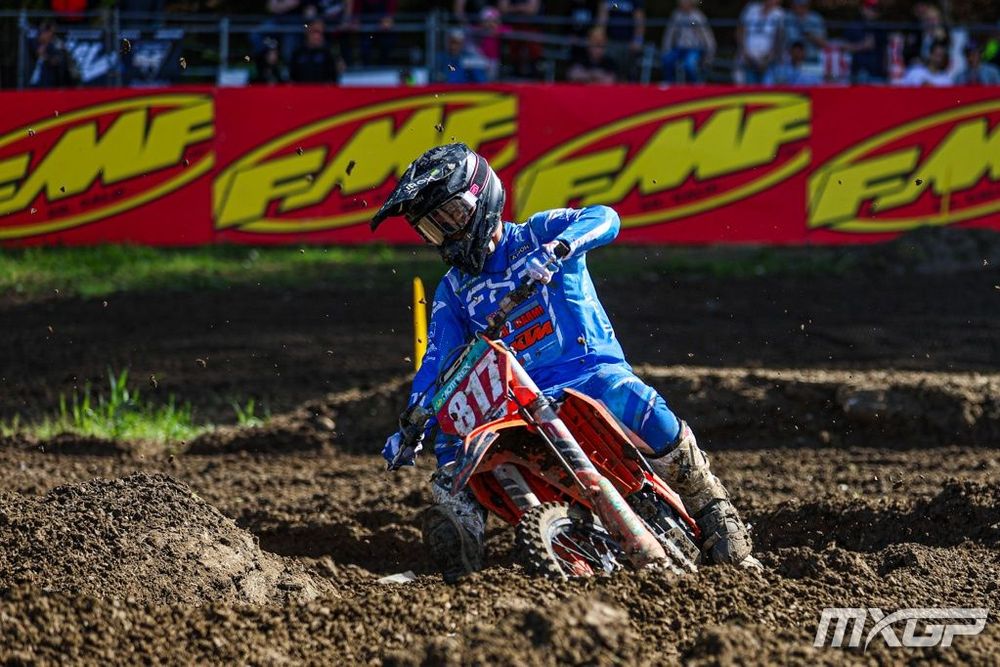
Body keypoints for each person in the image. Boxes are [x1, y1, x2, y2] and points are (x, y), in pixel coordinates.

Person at [371, 143, 759, 582]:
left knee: (630, 397)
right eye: (433, 228)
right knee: (453, 436)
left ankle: (710, 503)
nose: (448, 234)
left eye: (453, 217)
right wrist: (413, 418)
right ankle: (463, 538)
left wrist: (560, 248)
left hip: (589, 374)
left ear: (483, 198)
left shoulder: (536, 234)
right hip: (518, 402)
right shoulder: (454, 290)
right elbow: (437, 358)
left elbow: (605, 217)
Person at [661, 0, 715, 84]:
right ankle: (670, 84)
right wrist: (666, 50)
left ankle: (694, 85)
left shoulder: (698, 16)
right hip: (679, 48)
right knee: (667, 60)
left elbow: (707, 37)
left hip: (694, 48)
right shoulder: (677, 15)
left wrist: (709, 55)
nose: (682, 3)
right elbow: (669, 34)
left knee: (689, 65)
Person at [735, 0, 784, 85]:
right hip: (748, 59)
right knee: (749, 89)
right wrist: (745, 53)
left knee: (766, 89)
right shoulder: (751, 9)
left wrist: (768, 59)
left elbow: (779, 40)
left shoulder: (779, 14)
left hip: (768, 62)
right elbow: (740, 32)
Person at [597, 0, 645, 81]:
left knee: (627, 72)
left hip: (629, 43)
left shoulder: (635, 2)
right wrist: (600, 37)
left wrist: (638, 40)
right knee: (609, 70)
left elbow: (639, 18)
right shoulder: (612, 3)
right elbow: (603, 15)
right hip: (610, 41)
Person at [843, 0, 887, 84]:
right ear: (862, 8)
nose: (872, 11)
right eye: (869, 8)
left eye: (875, 9)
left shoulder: (881, 28)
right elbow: (844, 47)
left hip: (877, 74)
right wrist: (862, 46)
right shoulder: (853, 26)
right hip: (857, 73)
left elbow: (885, 52)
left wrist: (886, 72)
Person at [28, 20, 77, 88]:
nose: (51, 35)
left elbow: (57, 60)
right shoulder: (34, 42)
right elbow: (40, 53)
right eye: (50, 32)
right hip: (35, 82)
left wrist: (52, 58)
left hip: (50, 83)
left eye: (53, 33)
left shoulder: (54, 45)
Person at [782, 0, 825, 66]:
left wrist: (810, 35)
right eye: (795, 5)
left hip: (811, 60)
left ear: (807, 5)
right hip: (790, 61)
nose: (798, 8)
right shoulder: (786, 18)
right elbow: (780, 40)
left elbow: (823, 44)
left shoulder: (816, 19)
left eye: (802, 6)